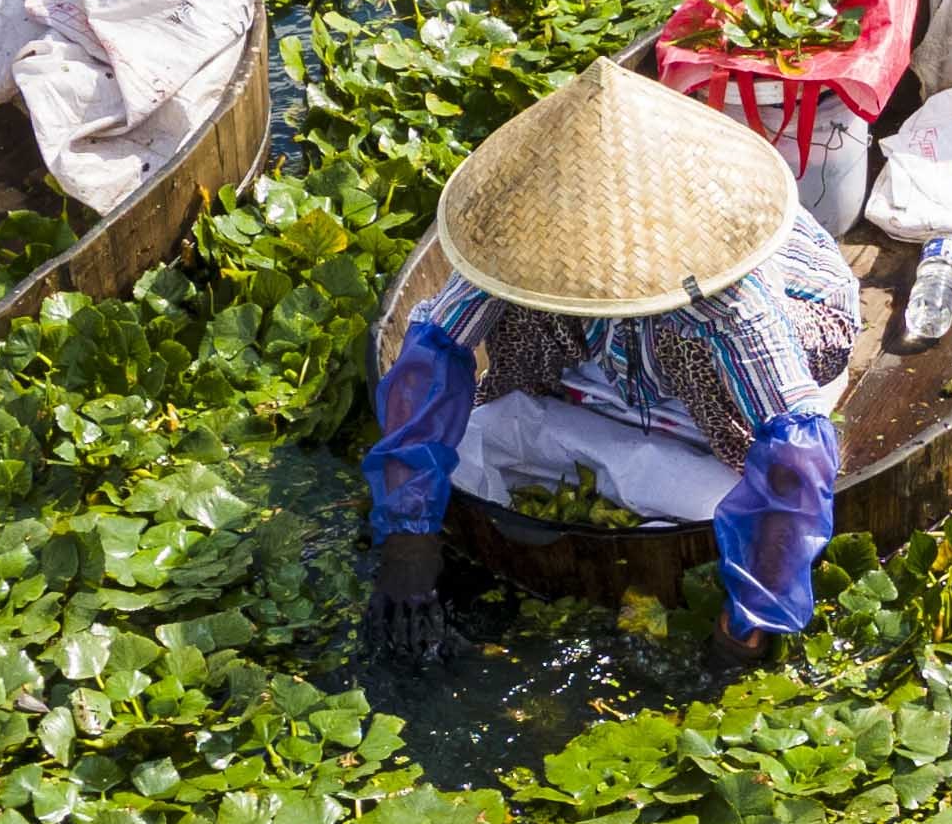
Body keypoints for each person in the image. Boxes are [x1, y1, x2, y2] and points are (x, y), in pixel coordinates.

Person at [364, 62, 855, 663]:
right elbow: (435, 351)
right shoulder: (526, 243)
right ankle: (612, 382)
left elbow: (795, 453)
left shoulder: (727, 301)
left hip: (797, 312)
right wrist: (407, 541)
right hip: (623, 340)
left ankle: (647, 395)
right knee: (516, 310)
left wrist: (746, 625)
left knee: (689, 352)